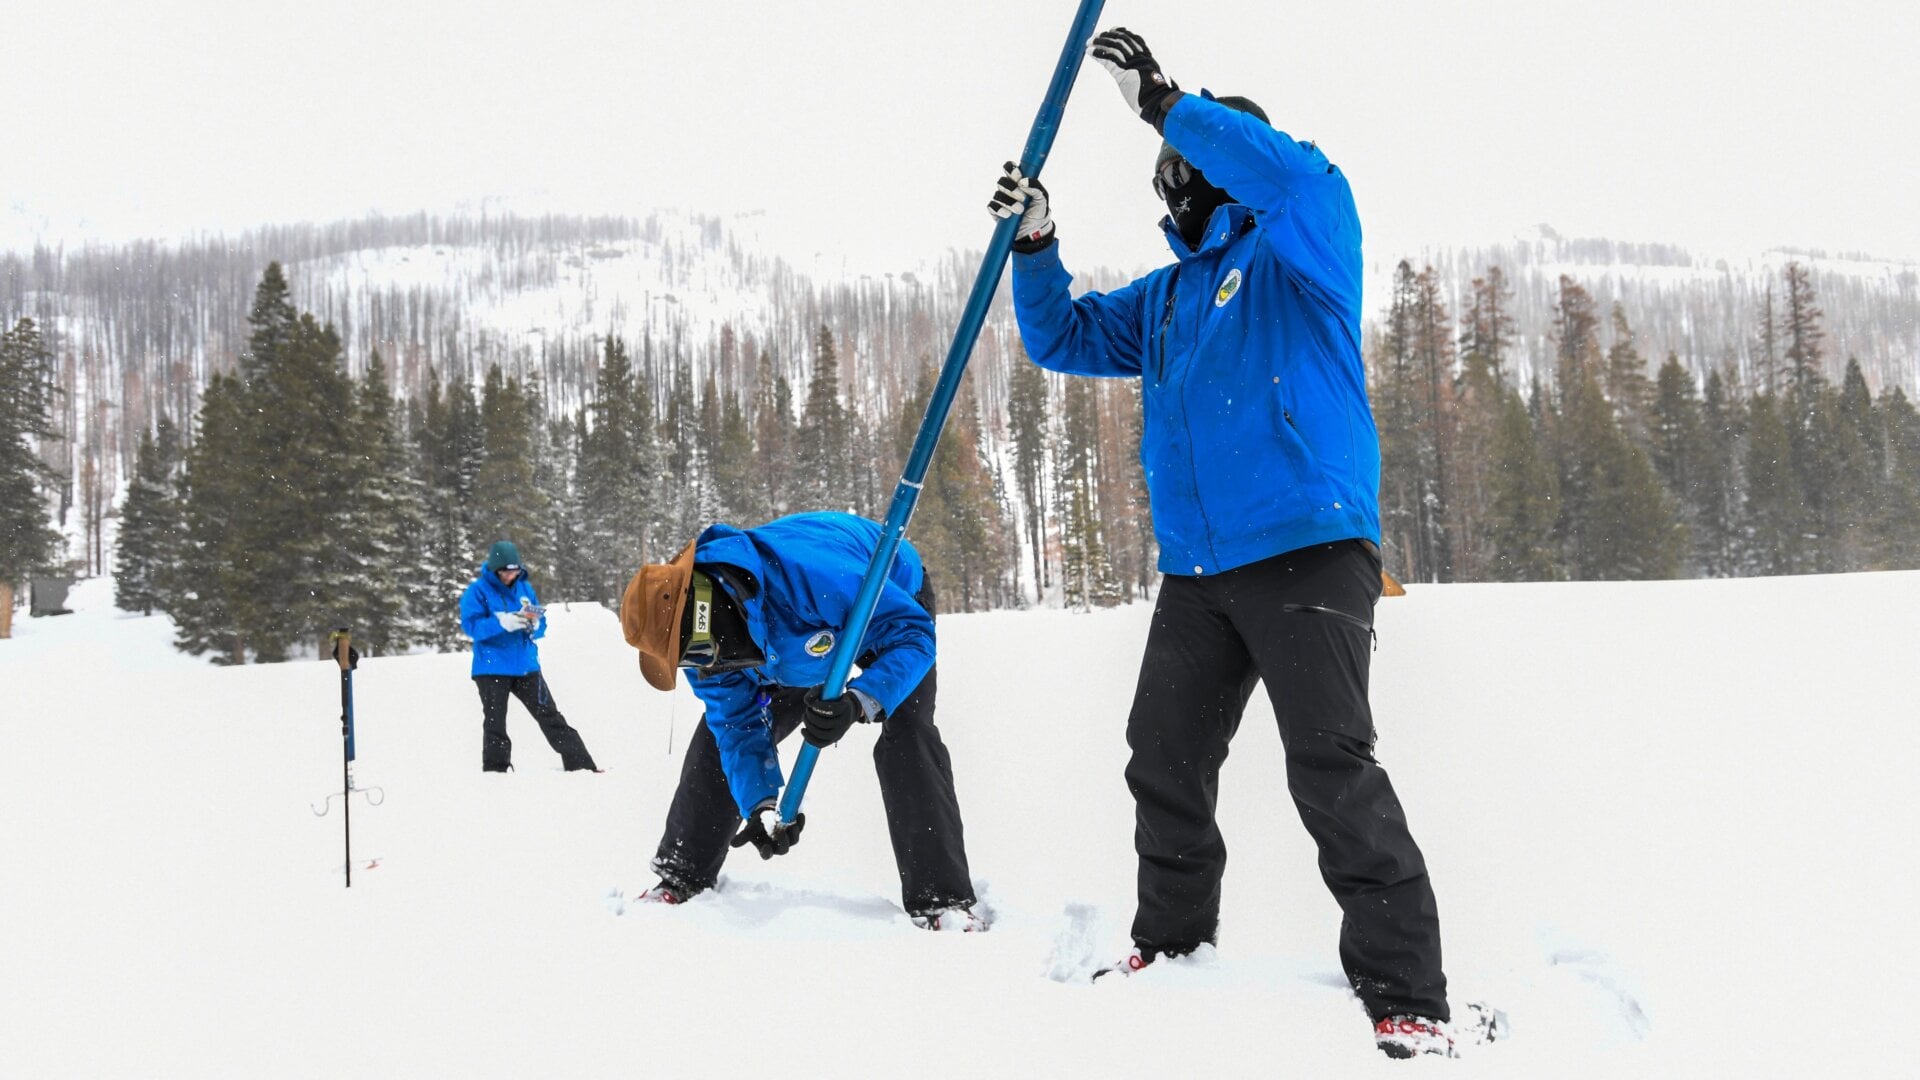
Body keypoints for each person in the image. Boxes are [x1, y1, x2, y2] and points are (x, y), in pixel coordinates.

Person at [989, 26, 1467, 1059]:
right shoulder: (1165, 301)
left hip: (1306, 547)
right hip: (1198, 572)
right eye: (1167, 176)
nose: (1176, 186)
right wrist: (1037, 243)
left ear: (1223, 161)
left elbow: (1288, 174)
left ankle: (1409, 998)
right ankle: (1172, 949)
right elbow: (1062, 337)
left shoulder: (1303, 241)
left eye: (1190, 166)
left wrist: (1164, 99)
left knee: (1328, 768)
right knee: (1162, 759)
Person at [618, 511, 981, 931]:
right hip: (791, 647)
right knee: (719, 736)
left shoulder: (809, 576)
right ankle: (682, 874)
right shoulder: (707, 652)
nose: (705, 667)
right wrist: (761, 805)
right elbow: (738, 726)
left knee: (908, 732)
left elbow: (913, 635)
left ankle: (943, 899)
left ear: (706, 608)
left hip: (882, 603)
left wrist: (860, 701)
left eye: (698, 652)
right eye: (689, 662)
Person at [458, 540, 599, 774]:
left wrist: (534, 626)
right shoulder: (478, 591)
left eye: (514, 570)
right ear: (494, 569)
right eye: (504, 571)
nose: (509, 576)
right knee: (495, 721)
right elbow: (471, 627)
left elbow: (541, 623)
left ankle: (581, 764)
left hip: (526, 665)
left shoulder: (524, 588)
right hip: (492, 667)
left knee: (549, 715)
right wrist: (501, 623)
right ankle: (495, 771)